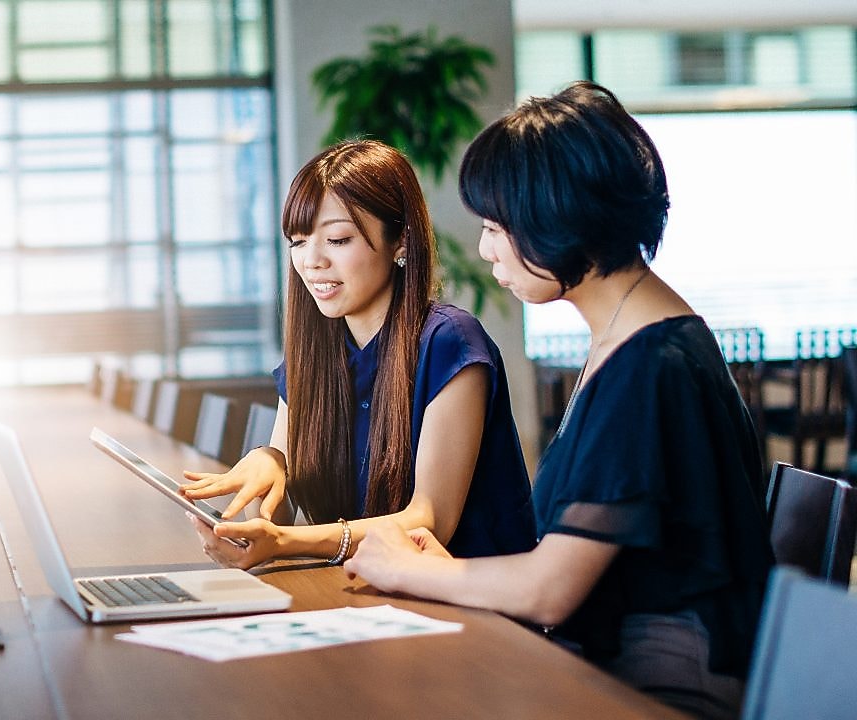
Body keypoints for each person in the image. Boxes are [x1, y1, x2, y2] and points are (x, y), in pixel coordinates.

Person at [342, 83, 773, 720]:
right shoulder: (639, 338)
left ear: (555, 218)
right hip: (610, 662)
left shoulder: (651, 367)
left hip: (657, 689)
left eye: (494, 227)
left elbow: (550, 592)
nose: (486, 248)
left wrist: (407, 570)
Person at [182, 139, 535, 570]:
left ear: (401, 239)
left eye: (337, 238)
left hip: (474, 611)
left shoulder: (450, 341)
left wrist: (284, 541)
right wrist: (268, 464)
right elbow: (271, 526)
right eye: (297, 241)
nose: (312, 261)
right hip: (368, 597)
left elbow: (429, 524)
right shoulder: (312, 356)